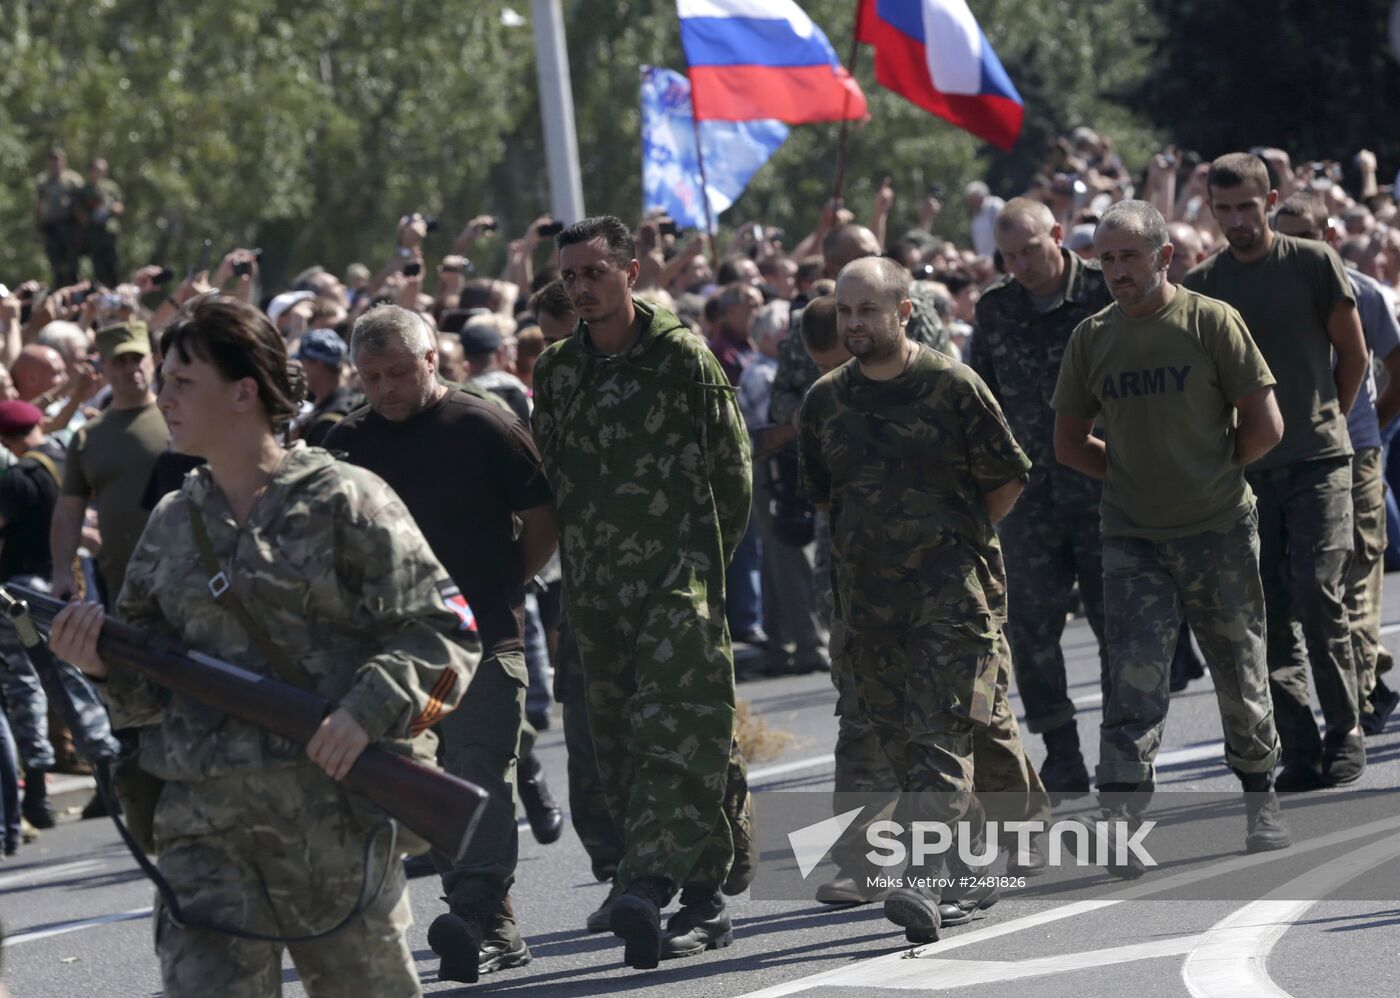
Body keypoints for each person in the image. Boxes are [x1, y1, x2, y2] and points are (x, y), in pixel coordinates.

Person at [48, 295, 480, 997]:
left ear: (244, 392)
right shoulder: (170, 522)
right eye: (163, 379)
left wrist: (363, 711)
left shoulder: (344, 499)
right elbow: (147, 693)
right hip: (203, 839)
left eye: (183, 382)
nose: (164, 397)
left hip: (331, 824)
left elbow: (443, 630)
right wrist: (96, 662)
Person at [533, 215, 751, 968]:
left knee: (676, 733)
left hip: (677, 583)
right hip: (595, 594)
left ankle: (651, 885)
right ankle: (703, 895)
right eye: (570, 276)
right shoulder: (557, 371)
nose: (581, 288)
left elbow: (734, 475)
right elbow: (552, 479)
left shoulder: (682, 357)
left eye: (594, 272)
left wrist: (702, 570)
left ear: (631, 271)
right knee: (619, 746)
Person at [1053, 200, 1291, 873]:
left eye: (1130, 256)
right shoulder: (1092, 337)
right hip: (1132, 537)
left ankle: (1259, 800)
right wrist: (1132, 477)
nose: (1118, 271)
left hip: (1217, 528)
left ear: (1165, 257)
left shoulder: (1211, 322)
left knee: (1239, 670)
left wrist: (1207, 474)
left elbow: (1265, 425)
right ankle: (1123, 826)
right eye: (1107, 260)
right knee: (1132, 683)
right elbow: (1069, 443)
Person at [800, 256, 1031, 942]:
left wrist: (951, 544)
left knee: (938, 740)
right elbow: (825, 496)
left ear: (904, 312)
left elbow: (1005, 480)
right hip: (867, 607)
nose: (853, 323)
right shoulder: (824, 400)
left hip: (950, 598)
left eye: (867, 309)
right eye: (844, 311)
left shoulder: (952, 386)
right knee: (902, 745)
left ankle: (923, 880)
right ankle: (978, 862)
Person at [325, 304, 557, 984]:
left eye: (400, 371)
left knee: (476, 775)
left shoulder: (483, 425)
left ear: (432, 359)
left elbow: (543, 519)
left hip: (485, 639)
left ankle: (479, 919)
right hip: (401, 657)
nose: (387, 389)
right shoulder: (348, 442)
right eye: (372, 377)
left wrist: (505, 583)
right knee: (430, 783)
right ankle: (493, 922)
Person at [1182, 152, 1369, 789]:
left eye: (1247, 206)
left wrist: (1326, 420)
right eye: (1224, 208)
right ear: (1211, 209)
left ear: (1271, 198)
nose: (1237, 220)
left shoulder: (1313, 262)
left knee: (1319, 595)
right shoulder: (1206, 285)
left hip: (1319, 460)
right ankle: (1302, 744)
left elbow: (1353, 354)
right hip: (1251, 471)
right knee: (1269, 613)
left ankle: (1346, 727)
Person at [970, 197, 1112, 799]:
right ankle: (1062, 749)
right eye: (1008, 256)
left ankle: (1123, 748)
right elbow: (983, 400)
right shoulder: (996, 309)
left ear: (1057, 235)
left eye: (1030, 249)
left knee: (1119, 624)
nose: (1021, 265)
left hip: (1103, 482)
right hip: (1029, 495)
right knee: (1030, 630)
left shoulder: (1105, 295)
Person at [1273, 194, 1400, 738]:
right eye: (1287, 234)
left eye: (1307, 233)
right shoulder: (1268, 295)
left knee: (1359, 568)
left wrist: (1368, 428)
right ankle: (1369, 666)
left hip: (1358, 447)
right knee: (1313, 581)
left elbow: (1392, 369)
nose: (1297, 245)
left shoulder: (1363, 293)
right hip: (1297, 457)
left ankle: (1362, 692)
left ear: (1328, 234)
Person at [0, 400, 118, 831]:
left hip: (20, 590)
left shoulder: (20, 476)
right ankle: (106, 765)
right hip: (57, 586)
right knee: (70, 675)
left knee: (25, 683)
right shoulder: (59, 463)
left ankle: (37, 791)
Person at [51, 321, 169, 608]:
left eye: (137, 358)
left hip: (189, 578)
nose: (131, 368)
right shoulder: (88, 437)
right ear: (103, 367)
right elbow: (69, 510)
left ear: (153, 361)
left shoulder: (180, 419)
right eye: (120, 361)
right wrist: (62, 571)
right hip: (123, 586)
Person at [291, 329, 362, 447]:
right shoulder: (351, 399)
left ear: (319, 365)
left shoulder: (331, 420)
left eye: (303, 361)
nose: (300, 369)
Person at [460, 316, 531, 423]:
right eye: (507, 338)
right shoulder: (514, 388)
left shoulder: (456, 391)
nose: (514, 342)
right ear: (499, 350)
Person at [35, 149, 84, 286]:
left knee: (72, 263)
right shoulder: (43, 181)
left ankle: (74, 292)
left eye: (58, 160)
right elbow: (39, 205)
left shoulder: (73, 180)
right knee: (55, 263)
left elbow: (80, 205)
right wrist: (39, 228)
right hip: (51, 227)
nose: (55, 164)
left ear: (64, 162)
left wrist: (82, 227)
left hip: (69, 226)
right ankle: (58, 291)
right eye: (52, 161)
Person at [81, 158, 124, 288]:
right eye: (98, 170)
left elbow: (120, 206)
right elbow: (79, 211)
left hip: (109, 231)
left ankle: (116, 291)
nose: (101, 173)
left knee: (113, 264)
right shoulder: (86, 189)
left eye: (103, 170)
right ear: (91, 171)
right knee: (98, 265)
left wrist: (110, 207)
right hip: (94, 232)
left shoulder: (111, 187)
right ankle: (101, 292)